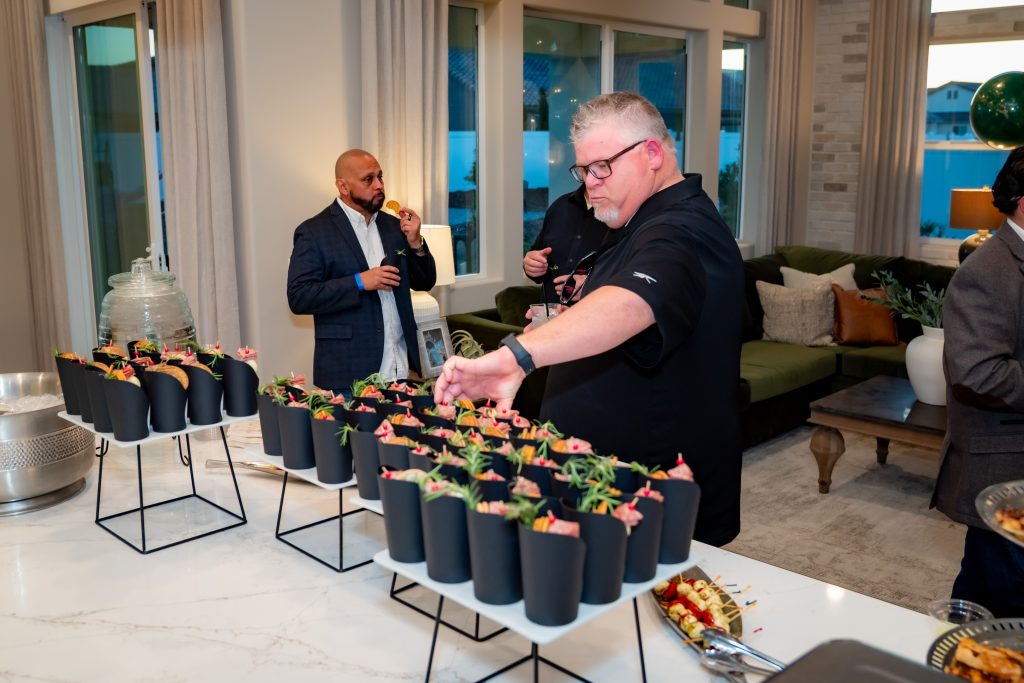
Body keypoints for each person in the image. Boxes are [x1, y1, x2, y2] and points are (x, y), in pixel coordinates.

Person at [435, 92, 744, 546]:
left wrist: (518, 356)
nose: (590, 184)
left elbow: (633, 300)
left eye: (602, 167)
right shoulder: (637, 222)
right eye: (582, 171)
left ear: (652, 154)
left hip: (647, 489)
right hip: (611, 484)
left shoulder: (681, 228)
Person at [933, 145, 1024, 617]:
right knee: (1002, 605)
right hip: (1003, 470)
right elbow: (978, 372)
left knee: (985, 598)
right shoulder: (987, 271)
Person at [287, 149, 436, 394]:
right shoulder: (314, 232)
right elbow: (299, 296)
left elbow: (425, 282)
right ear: (343, 186)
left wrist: (415, 243)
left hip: (400, 371)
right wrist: (359, 281)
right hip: (348, 374)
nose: (379, 185)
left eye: (380, 177)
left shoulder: (394, 227)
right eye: (369, 179)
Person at [523, 184, 608, 303]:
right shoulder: (560, 206)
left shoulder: (625, 213)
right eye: (584, 169)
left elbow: (634, 277)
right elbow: (538, 253)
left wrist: (593, 286)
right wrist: (532, 265)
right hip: (550, 314)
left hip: (597, 315)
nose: (591, 176)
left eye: (601, 166)